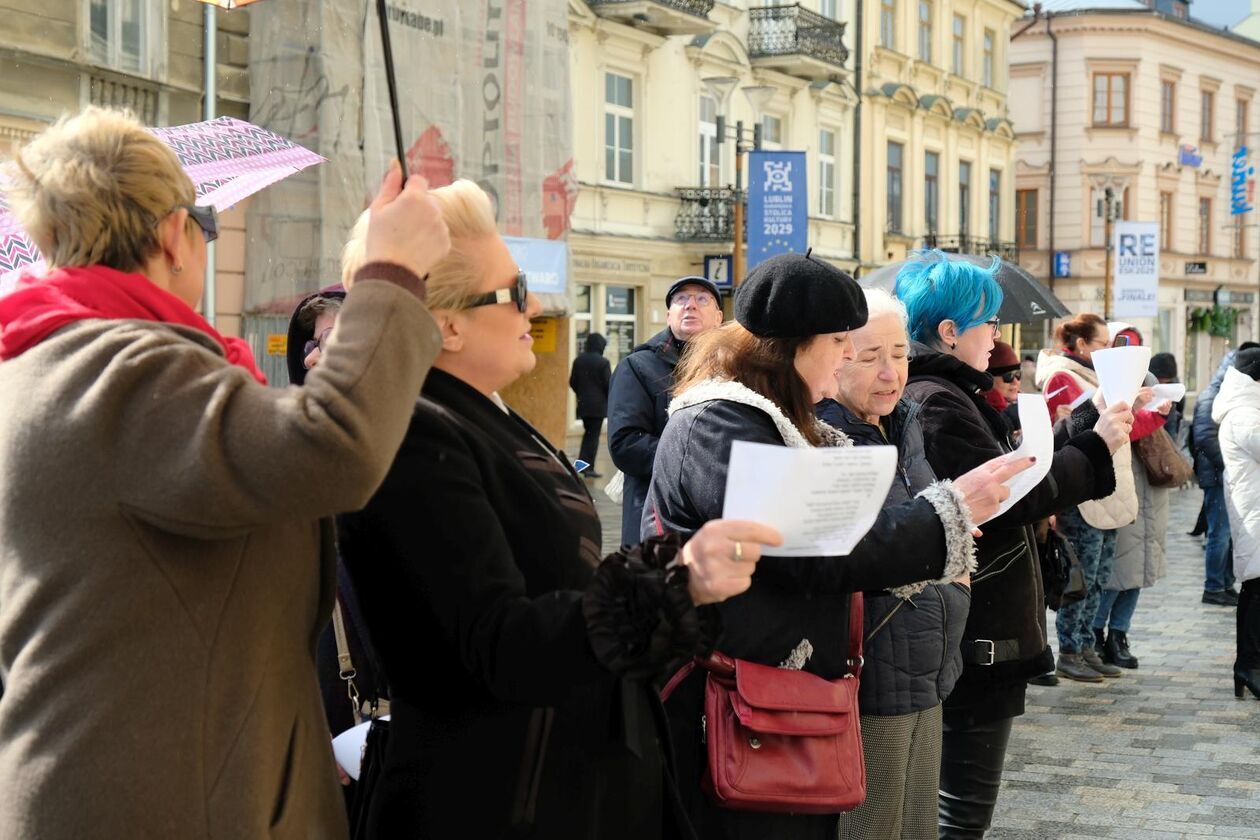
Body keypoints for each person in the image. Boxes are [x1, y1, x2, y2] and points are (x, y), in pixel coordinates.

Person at [0, 107, 450, 838]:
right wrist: (391, 274)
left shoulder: (52, 352)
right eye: (205, 227)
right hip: (160, 805)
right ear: (175, 234)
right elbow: (331, 446)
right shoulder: (121, 369)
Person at [334, 179, 782, 839]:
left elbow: (562, 580)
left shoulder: (485, 412)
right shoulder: (418, 430)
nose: (536, 306)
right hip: (501, 797)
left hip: (563, 776)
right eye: (513, 293)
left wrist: (680, 564)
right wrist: (674, 583)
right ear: (447, 324)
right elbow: (497, 641)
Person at [648, 252, 1037, 840]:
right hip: (736, 703)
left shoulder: (774, 419)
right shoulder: (720, 423)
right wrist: (948, 516)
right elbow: (811, 548)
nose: (851, 357)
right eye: (841, 342)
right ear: (794, 347)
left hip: (780, 695)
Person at [896, 253, 1129, 839]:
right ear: (950, 331)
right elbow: (1011, 495)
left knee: (959, 801)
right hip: (978, 628)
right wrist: (1094, 448)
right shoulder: (938, 398)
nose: (997, 334)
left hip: (982, 620)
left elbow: (1020, 467)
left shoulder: (951, 392)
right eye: (988, 322)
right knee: (961, 808)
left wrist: (1082, 428)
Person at [816, 289, 971, 839]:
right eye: (870, 356)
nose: (891, 372)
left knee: (917, 827)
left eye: (901, 354)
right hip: (872, 669)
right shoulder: (824, 438)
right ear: (833, 359)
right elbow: (861, 550)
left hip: (928, 661)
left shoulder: (903, 424)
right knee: (873, 825)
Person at [1035, 314, 1169, 683]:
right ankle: (1071, 650)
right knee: (1080, 575)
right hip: (1084, 490)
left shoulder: (1099, 376)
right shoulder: (1063, 377)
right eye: (1101, 343)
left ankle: (1087, 646)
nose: (1108, 350)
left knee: (1099, 577)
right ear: (1080, 344)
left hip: (1108, 485)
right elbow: (1071, 431)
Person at [607, 276, 723, 544]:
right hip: (654, 520)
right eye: (681, 299)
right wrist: (698, 463)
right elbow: (625, 445)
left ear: (718, 317)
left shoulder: (733, 369)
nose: (690, 305)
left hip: (713, 523)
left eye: (701, 299)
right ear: (669, 315)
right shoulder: (637, 367)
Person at [1097, 349, 1182, 670]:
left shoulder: (1154, 421)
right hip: (1124, 502)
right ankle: (1096, 633)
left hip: (1150, 503)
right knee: (1117, 575)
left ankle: (1119, 634)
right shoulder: (1114, 413)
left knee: (1136, 576)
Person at [1192, 344, 1260, 606]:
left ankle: (1223, 582)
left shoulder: (1234, 398)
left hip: (1231, 476)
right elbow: (1205, 438)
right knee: (1219, 535)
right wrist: (1227, 465)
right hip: (1218, 475)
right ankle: (1214, 585)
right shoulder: (1222, 399)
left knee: (1229, 536)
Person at [1211, 347, 1260, 700]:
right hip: (1254, 512)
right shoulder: (1245, 414)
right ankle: (1248, 665)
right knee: (1257, 588)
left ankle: (1250, 665)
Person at [569, 331, 612, 478]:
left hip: (583, 405)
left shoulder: (578, 360)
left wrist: (582, 394)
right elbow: (609, 385)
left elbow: (572, 382)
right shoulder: (603, 362)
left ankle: (582, 466)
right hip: (597, 408)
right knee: (592, 438)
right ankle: (587, 468)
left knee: (587, 436)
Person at [983, 340, 1022, 431]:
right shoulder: (984, 411)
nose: (1015, 382)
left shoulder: (1024, 405)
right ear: (989, 378)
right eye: (1008, 376)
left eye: (1018, 374)